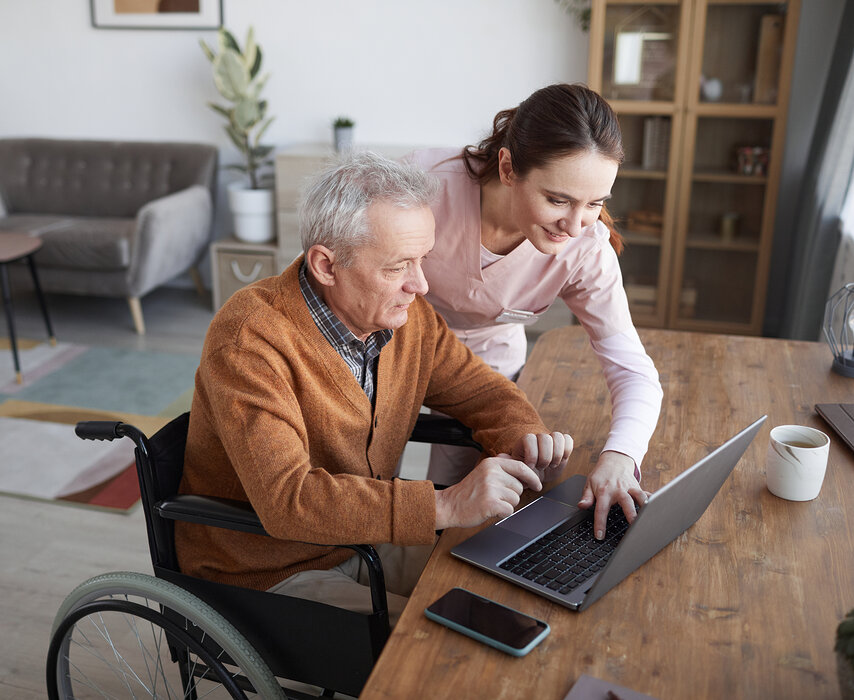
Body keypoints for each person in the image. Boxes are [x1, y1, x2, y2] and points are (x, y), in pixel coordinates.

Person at [174, 151, 573, 624]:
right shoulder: (249, 339)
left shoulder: (407, 319)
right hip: (268, 569)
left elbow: (479, 391)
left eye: (423, 260)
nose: (420, 285)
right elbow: (289, 501)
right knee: (444, 640)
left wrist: (526, 436)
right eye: (397, 267)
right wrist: (444, 504)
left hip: (363, 540)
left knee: (515, 583)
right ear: (326, 265)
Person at [405, 83, 663, 540]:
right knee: (390, 491)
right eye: (558, 199)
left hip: (488, 371)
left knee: (478, 512)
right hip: (395, 352)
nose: (575, 224)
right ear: (507, 167)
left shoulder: (585, 248)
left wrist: (622, 455)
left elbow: (632, 368)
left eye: (595, 203)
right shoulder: (422, 189)